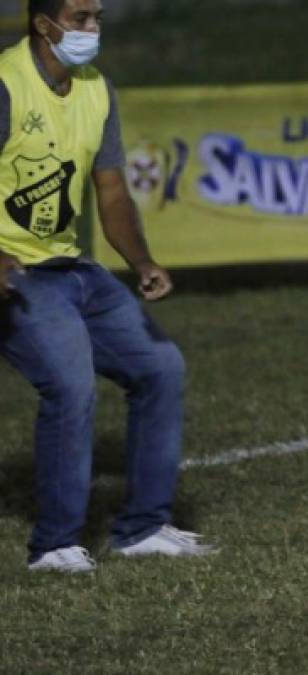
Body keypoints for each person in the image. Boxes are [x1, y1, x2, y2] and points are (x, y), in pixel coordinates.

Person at [0, 0, 214, 572]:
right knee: (71, 389)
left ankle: (142, 528)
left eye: (97, 17)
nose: (92, 29)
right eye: (80, 18)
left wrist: (142, 260)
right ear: (44, 24)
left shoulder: (96, 89)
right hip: (18, 274)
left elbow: (112, 192)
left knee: (160, 367)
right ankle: (54, 545)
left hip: (72, 269)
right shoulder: (5, 83)